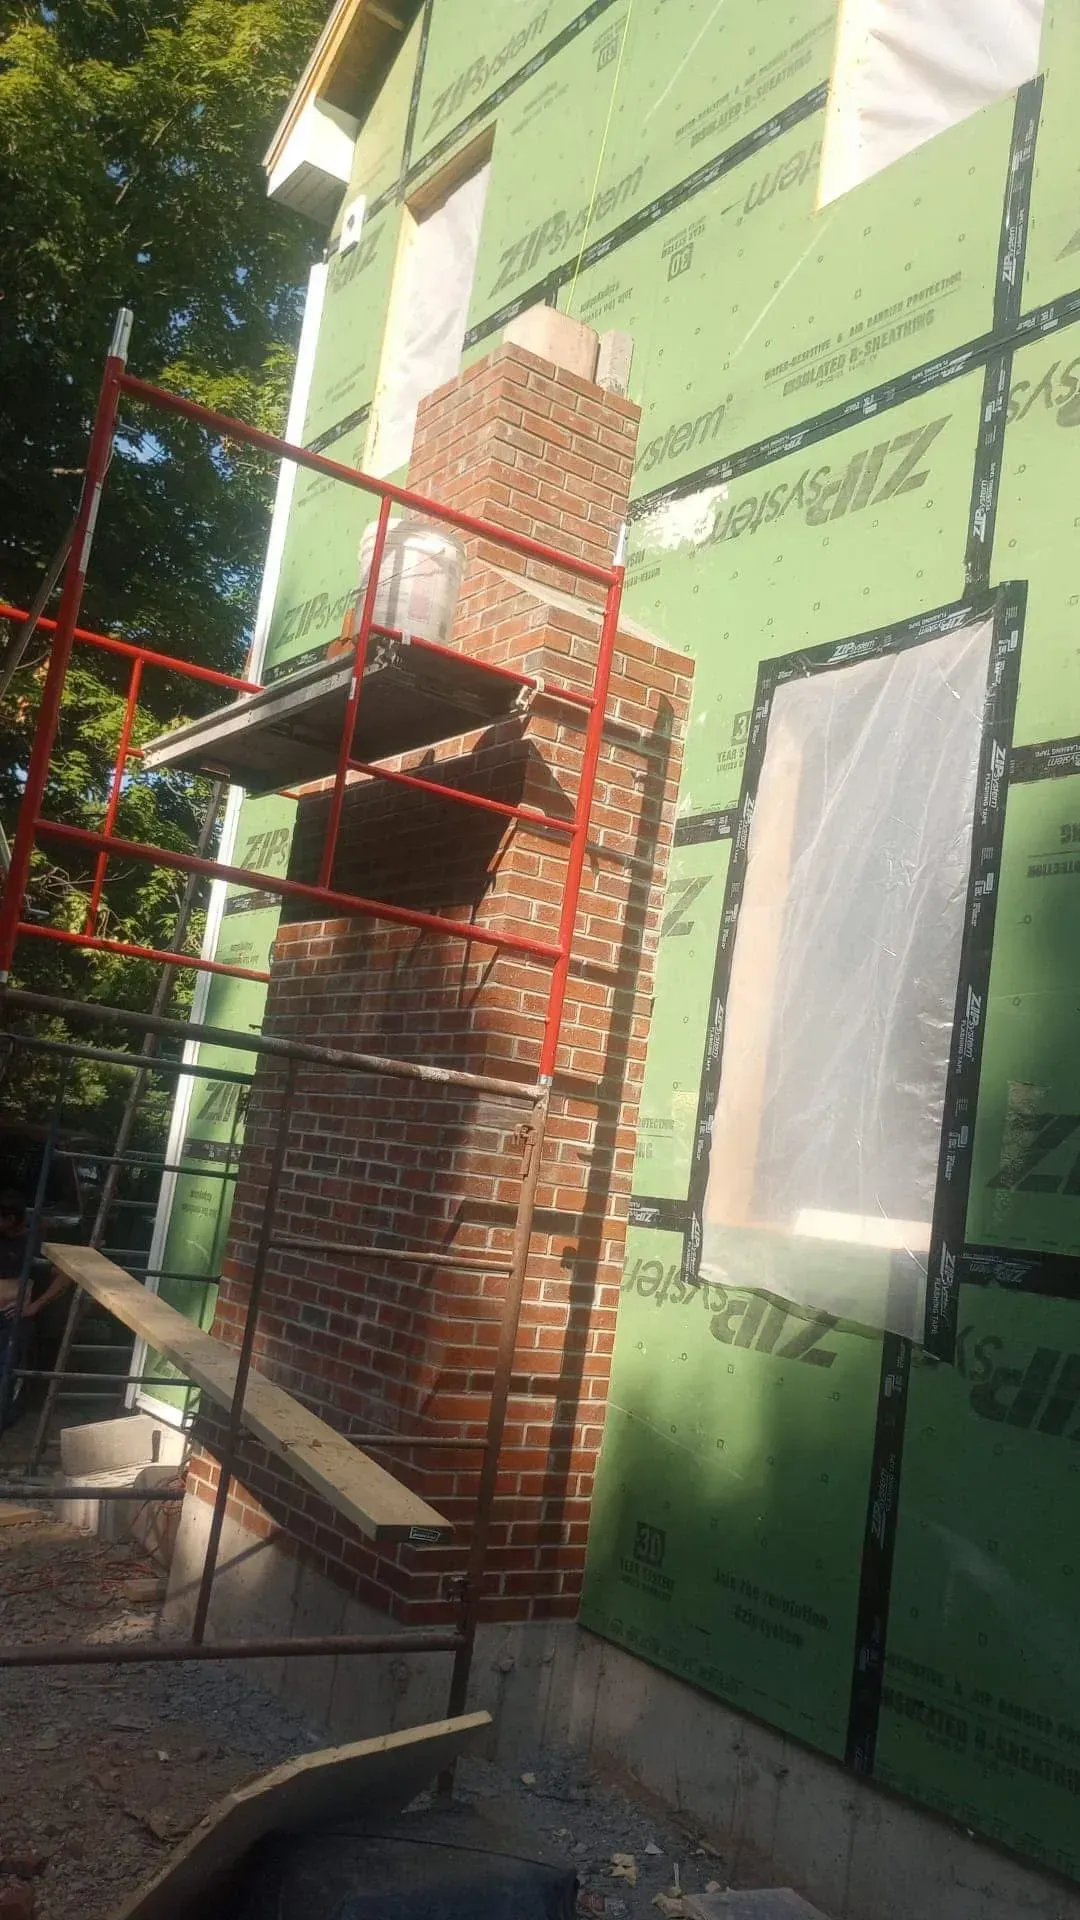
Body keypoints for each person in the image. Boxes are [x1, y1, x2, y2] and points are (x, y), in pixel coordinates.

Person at [0, 1189, 69, 1428]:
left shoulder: (32, 1245)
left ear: (10, 1219)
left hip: (11, 1322)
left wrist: (36, 1306)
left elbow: (64, 1275)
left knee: (7, 1376)